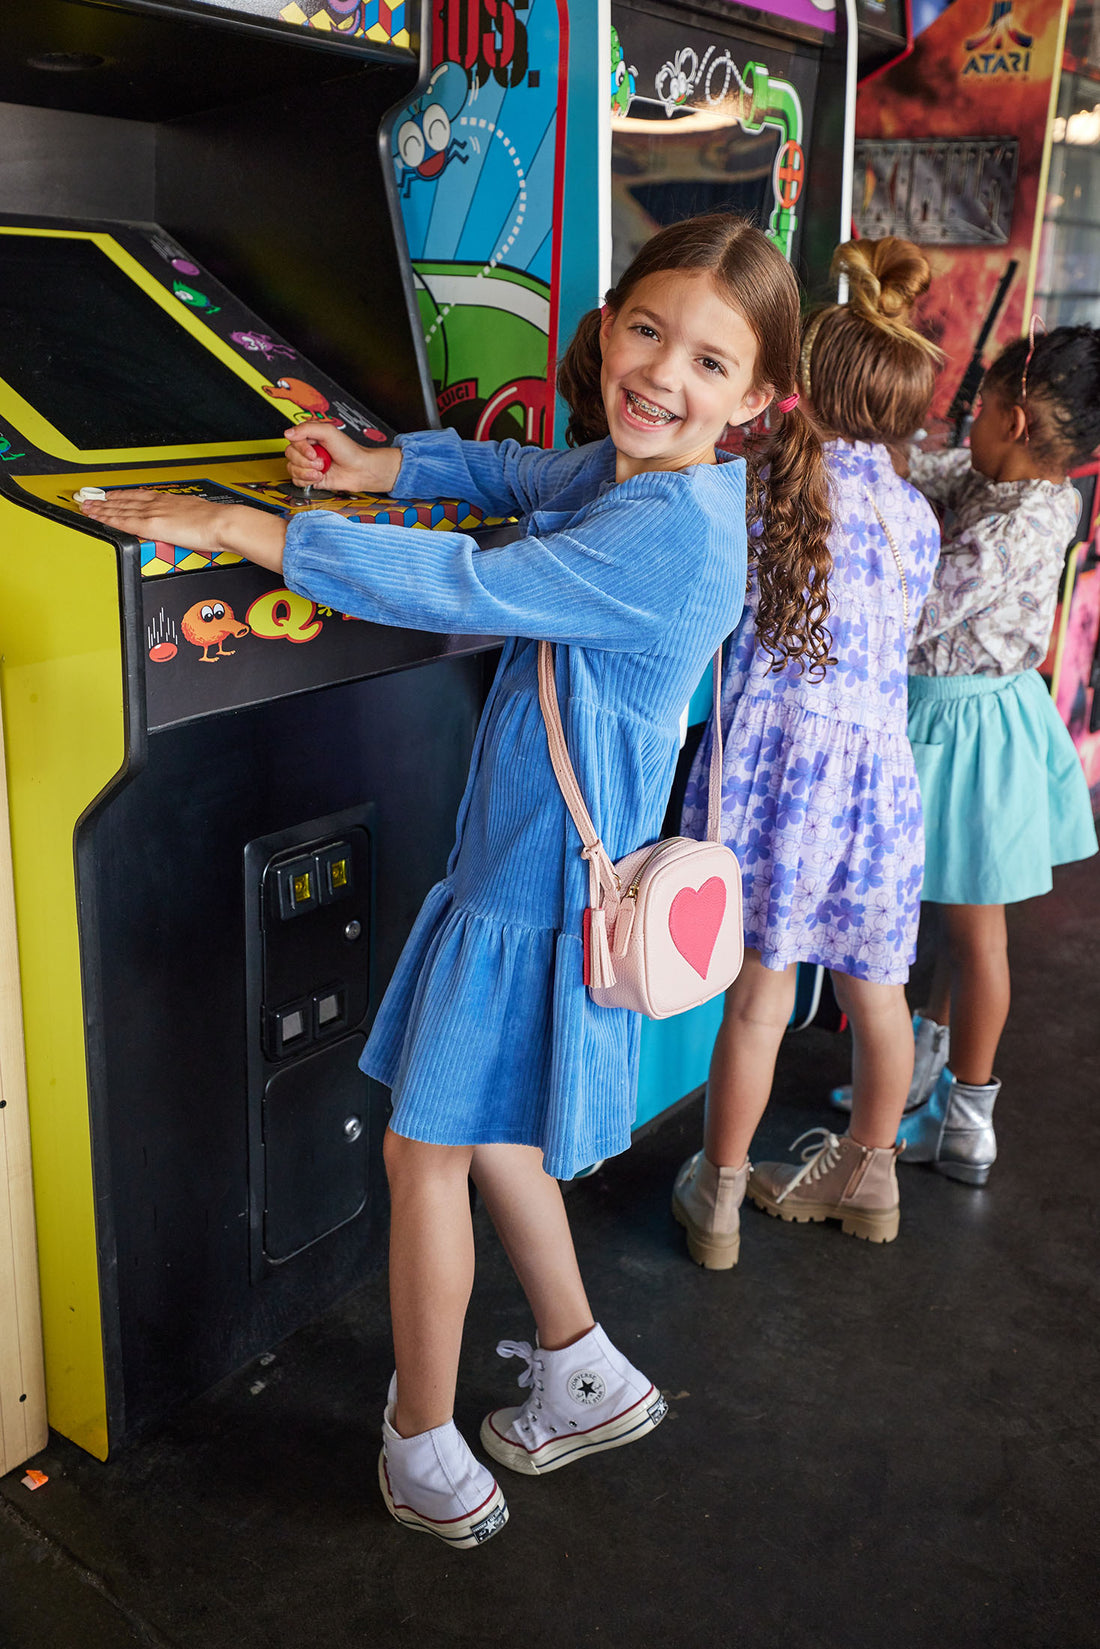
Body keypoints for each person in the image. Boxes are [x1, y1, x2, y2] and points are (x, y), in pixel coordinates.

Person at [79, 214, 832, 1548]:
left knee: (428, 1154)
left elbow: (467, 575)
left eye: (710, 363)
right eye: (646, 332)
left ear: (760, 398)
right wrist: (382, 460)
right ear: (611, 325)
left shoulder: (668, 533)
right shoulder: (647, 476)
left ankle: (418, 1432)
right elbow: (512, 474)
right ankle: (581, 1362)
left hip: (530, 897)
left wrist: (245, 525)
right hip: (534, 877)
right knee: (496, 1135)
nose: (661, 375)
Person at [672, 237, 942, 1267]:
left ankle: (720, 1196)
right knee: (878, 990)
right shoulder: (914, 516)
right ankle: (865, 1176)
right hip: (876, 779)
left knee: (760, 994)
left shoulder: (759, 488)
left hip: (773, 771)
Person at [885, 323, 1100, 1185]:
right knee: (957, 917)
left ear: (1012, 418)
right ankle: (925, 1077)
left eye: (973, 411)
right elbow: (933, 468)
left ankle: (970, 1116)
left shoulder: (1015, 528)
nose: (960, 426)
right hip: (960, 718)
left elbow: (916, 612)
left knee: (977, 935)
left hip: (973, 735)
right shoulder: (1016, 484)